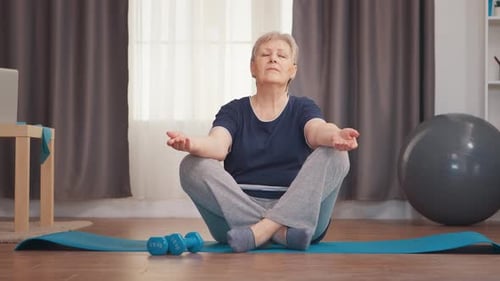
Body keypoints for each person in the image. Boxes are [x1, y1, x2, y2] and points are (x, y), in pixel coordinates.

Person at [166, 31, 359, 253]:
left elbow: (317, 130)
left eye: (282, 56)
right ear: (252, 68)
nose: (273, 59)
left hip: (299, 216)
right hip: (239, 218)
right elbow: (217, 146)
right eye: (266, 54)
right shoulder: (234, 111)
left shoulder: (303, 108)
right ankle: (279, 232)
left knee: (336, 154)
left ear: (292, 70)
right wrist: (191, 143)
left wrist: (334, 135)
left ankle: (261, 232)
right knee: (191, 165)